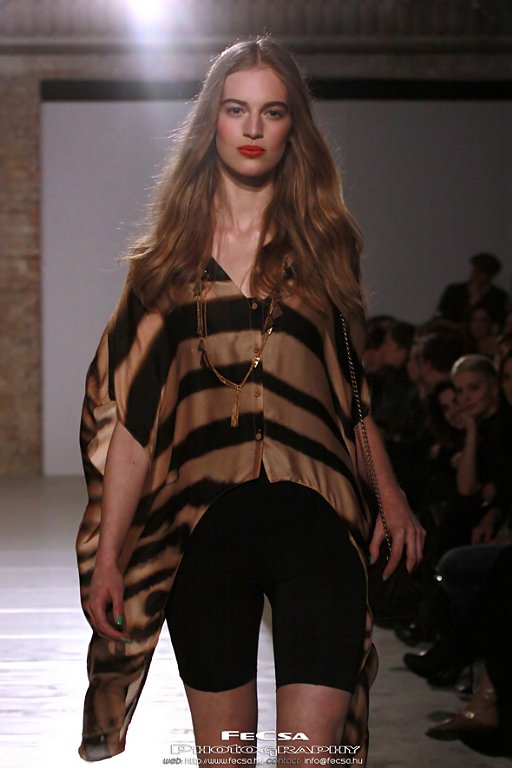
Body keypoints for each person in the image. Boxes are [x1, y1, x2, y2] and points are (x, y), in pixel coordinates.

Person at [75, 37, 425, 766]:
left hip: (318, 524)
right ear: (213, 122)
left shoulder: (326, 245)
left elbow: (351, 389)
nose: (254, 128)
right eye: (237, 110)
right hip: (203, 535)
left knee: (310, 757)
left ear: (295, 126)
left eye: (273, 111)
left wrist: (390, 496)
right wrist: (109, 556)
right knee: (225, 760)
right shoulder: (163, 266)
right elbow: (135, 425)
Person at [437, 252, 509, 327]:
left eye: (481, 272)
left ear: (490, 276)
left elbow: (498, 323)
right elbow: (441, 317)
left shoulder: (499, 297)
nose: (476, 275)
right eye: (475, 270)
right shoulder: (454, 291)